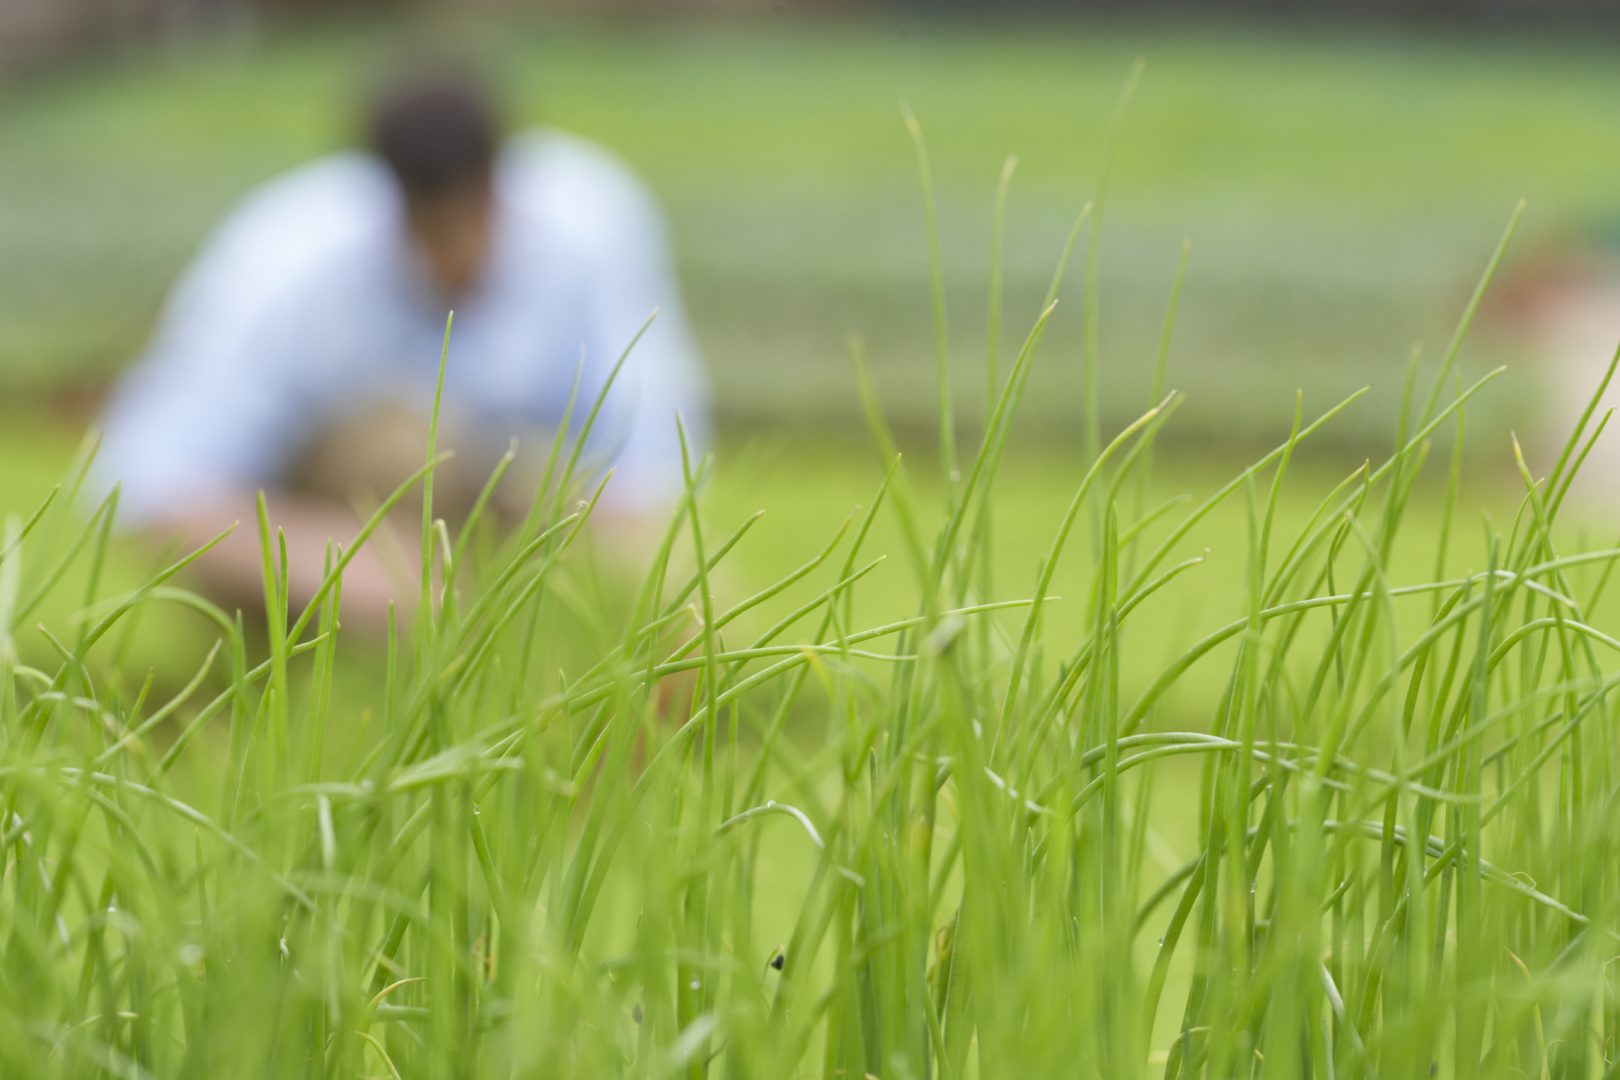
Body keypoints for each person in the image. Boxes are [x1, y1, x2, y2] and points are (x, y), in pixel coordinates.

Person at [92, 65, 708, 625]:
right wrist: (346, 569)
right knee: (404, 443)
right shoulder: (284, 262)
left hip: (501, 512)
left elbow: (645, 462)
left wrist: (622, 589)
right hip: (331, 534)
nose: (458, 254)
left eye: (477, 220)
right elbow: (152, 486)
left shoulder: (590, 222)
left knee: (681, 607)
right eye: (433, 228)